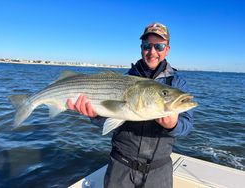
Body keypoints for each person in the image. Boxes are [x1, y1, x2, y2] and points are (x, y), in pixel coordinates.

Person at [67, 22, 194, 188]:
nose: (152, 52)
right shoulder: (123, 79)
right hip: (120, 167)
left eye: (159, 46)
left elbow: (187, 125)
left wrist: (174, 125)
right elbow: (108, 122)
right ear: (141, 48)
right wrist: (95, 116)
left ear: (167, 49)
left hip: (159, 170)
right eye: (147, 46)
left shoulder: (177, 84)